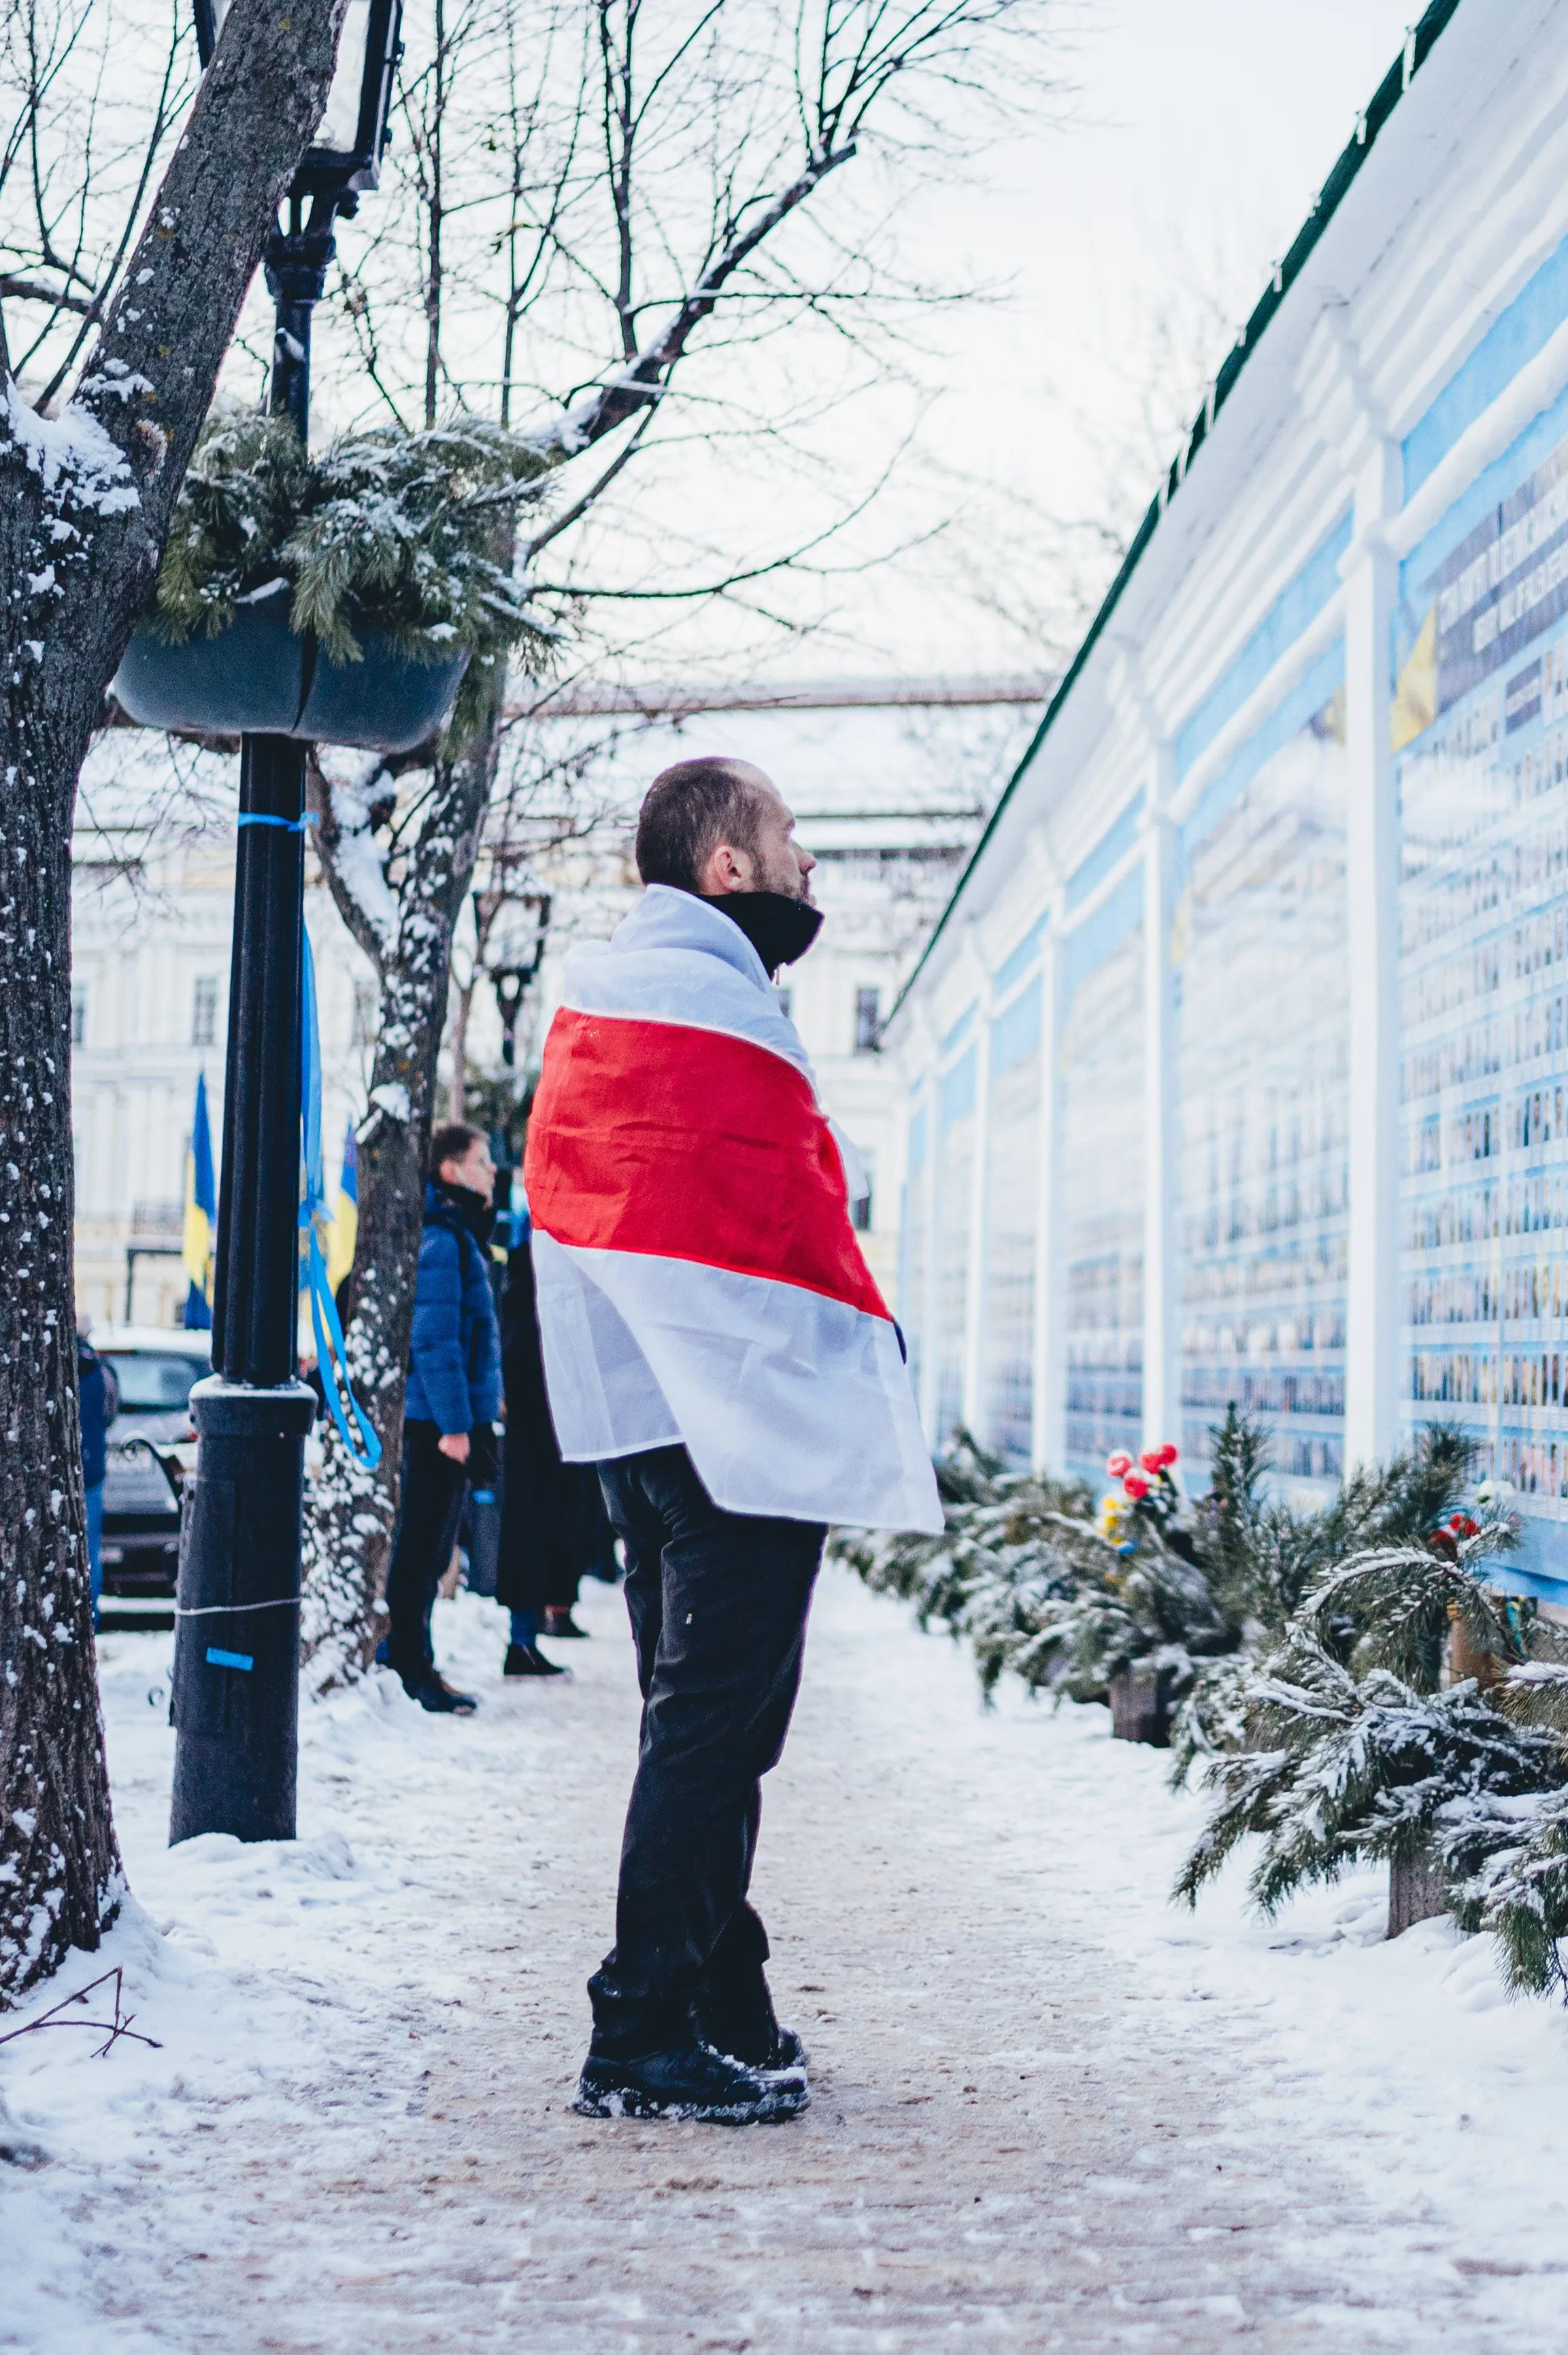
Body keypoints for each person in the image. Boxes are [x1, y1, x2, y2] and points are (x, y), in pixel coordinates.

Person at [529, 756, 937, 2126]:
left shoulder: (613, 987)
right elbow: (776, 1220)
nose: (808, 863)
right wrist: (850, 1350)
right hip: (729, 1422)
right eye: (791, 838)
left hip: (650, 1416)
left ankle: (717, 1988)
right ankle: (640, 2021)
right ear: (725, 867)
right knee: (714, 1725)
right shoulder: (711, 1001)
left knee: (702, 1718)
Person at [386, 1121, 505, 1714]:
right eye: (482, 1161)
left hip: (450, 1420)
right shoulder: (442, 1238)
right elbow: (435, 1342)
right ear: (451, 1169)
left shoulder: (459, 1234)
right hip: (437, 1424)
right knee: (422, 1547)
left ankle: (412, 1658)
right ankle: (411, 1665)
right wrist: (457, 1426)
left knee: (433, 1547)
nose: (493, 1171)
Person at [499, 1205, 608, 1658]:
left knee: (556, 1526)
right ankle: (523, 1635)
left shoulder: (532, 1286)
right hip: (539, 1432)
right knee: (534, 1529)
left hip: (552, 1430)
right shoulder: (530, 1293)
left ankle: (537, 1624)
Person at [75, 1327, 114, 1598]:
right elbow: (110, 1411)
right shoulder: (101, 1370)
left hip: (64, 1468)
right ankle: (91, 1612)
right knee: (90, 1547)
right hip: (93, 1468)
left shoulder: (54, 1363)